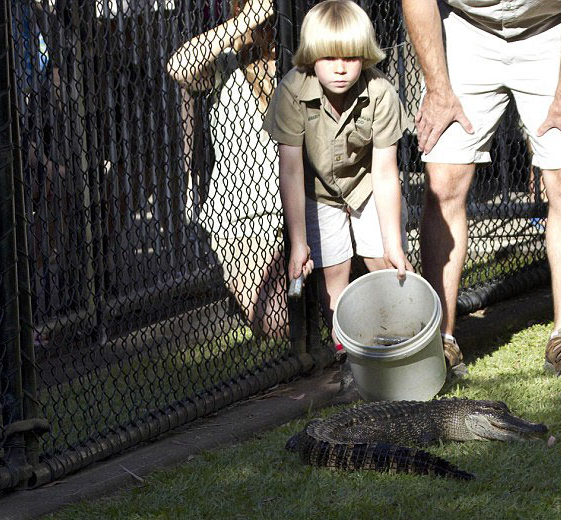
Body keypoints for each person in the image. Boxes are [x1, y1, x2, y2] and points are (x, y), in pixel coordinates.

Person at [402, 0, 561, 377]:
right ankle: (440, 339)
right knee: (443, 182)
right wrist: (438, 90)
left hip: (550, 27)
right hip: (466, 28)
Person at [262, 0, 413, 348]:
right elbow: (291, 170)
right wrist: (298, 242)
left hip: (367, 186)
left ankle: (409, 335)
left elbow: (386, 171)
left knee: (387, 263)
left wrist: (393, 240)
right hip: (320, 192)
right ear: (313, 57)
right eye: (330, 58)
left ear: (365, 55)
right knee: (334, 271)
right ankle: (348, 347)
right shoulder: (292, 91)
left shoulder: (380, 93)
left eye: (351, 57)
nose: (341, 68)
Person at [167, 0, 287, 337]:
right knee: (277, 324)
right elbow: (179, 66)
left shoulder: (298, 49)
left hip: (305, 204)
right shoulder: (226, 59)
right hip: (247, 218)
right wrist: (244, 23)